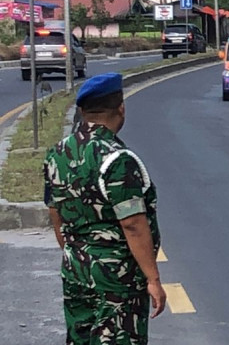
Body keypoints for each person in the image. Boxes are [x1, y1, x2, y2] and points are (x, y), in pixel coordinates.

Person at [43, 73, 166, 344]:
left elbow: (55, 212)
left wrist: (74, 253)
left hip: (75, 271)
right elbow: (132, 224)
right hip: (116, 280)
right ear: (121, 109)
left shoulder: (57, 153)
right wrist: (153, 279)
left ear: (81, 112)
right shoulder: (117, 159)